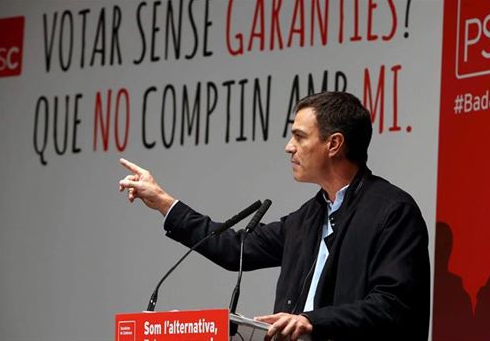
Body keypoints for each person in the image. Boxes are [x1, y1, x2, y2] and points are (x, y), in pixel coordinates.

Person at [119, 91, 430, 340]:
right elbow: (233, 249)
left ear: (334, 144)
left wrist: (310, 322)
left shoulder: (391, 212)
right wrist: (164, 202)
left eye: (299, 136)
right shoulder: (307, 218)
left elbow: (394, 306)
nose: (288, 147)